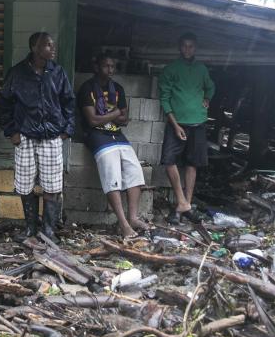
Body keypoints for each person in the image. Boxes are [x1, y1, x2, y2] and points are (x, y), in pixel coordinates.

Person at [0, 32, 75, 242]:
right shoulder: (17, 73)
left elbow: (69, 102)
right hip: (25, 135)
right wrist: (11, 131)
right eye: (48, 45)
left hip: (51, 136)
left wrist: (67, 130)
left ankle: (48, 231)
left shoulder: (58, 72)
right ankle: (31, 229)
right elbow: (4, 103)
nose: (53, 48)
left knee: (52, 185)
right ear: (35, 48)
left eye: (53, 44)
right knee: (25, 184)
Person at [77, 52, 148, 237]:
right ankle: (123, 224)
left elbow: (125, 119)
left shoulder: (117, 89)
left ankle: (133, 218)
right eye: (106, 66)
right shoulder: (87, 89)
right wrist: (115, 114)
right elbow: (92, 121)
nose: (110, 70)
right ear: (97, 67)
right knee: (112, 174)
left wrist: (110, 117)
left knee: (135, 170)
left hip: (117, 135)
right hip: (96, 136)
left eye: (112, 67)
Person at [159, 32, 215, 225]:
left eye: (191, 46)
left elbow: (210, 87)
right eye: (184, 46)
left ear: (195, 48)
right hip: (178, 123)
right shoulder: (171, 69)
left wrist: (208, 97)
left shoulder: (201, 69)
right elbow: (164, 99)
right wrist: (175, 126)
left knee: (192, 164)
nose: (187, 49)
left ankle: (186, 205)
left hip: (198, 122)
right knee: (169, 161)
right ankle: (181, 201)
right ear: (179, 48)